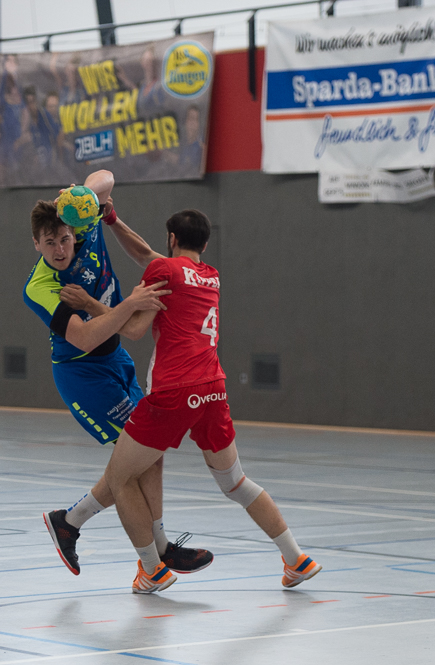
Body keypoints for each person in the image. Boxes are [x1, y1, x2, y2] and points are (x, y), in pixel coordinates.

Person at [99, 209, 322, 594]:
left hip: (174, 391)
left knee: (120, 478)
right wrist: (114, 221)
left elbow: (135, 323)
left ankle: (150, 568)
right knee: (236, 482)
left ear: (172, 239)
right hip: (213, 390)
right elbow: (146, 254)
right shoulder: (211, 276)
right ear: (204, 243)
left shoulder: (165, 271)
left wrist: (93, 307)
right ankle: (296, 558)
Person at [24, 170, 214, 577]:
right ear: (36, 244)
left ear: (74, 231)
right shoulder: (41, 286)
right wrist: (130, 304)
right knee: (129, 466)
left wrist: (81, 194)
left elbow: (106, 179)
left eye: (64, 239)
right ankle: (152, 561)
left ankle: (76, 524)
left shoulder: (84, 225)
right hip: (83, 374)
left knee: (151, 454)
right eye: (49, 243)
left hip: (118, 360)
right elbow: (85, 338)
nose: (60, 249)